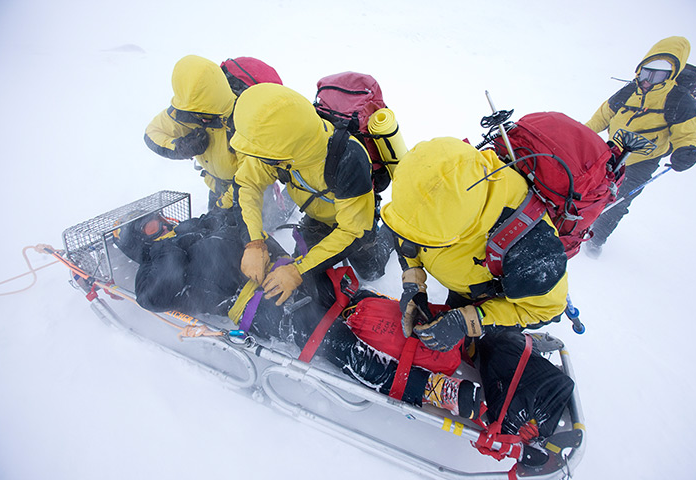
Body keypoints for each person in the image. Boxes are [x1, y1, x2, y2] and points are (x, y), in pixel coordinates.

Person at [113, 207, 481, 421]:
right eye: (151, 227)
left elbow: (236, 221)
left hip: (287, 273)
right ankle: (433, 389)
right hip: (265, 308)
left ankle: (451, 333)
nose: (162, 225)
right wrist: (164, 246)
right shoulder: (155, 265)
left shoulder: (189, 229)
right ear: (142, 243)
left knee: (361, 302)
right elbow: (155, 294)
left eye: (159, 219)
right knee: (339, 344)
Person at [380, 137, 569, 353]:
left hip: (487, 297)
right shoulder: (433, 171)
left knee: (487, 349)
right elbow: (408, 226)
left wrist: (469, 320)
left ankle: (513, 344)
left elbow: (546, 310)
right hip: (465, 276)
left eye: (430, 240)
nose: (419, 243)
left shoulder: (533, 252)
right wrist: (413, 281)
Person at [218, 82, 393, 300]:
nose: (263, 161)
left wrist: (299, 270)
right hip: (317, 215)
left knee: (372, 270)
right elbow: (247, 184)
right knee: (302, 273)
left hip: (355, 220)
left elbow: (354, 231)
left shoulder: (349, 159)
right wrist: (254, 242)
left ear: (287, 150)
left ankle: (390, 233)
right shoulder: (273, 148)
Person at [583, 36, 696, 258]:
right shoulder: (630, 90)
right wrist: (580, 135)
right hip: (611, 149)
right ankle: (575, 227)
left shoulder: (678, 99)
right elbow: (602, 117)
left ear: (670, 75)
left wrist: (685, 150)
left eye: (657, 75)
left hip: (642, 161)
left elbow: (687, 133)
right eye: (645, 73)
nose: (648, 80)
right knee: (587, 187)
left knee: (618, 200)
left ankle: (595, 241)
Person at [144, 55, 292, 221]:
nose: (204, 120)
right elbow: (153, 132)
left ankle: (282, 209)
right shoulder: (186, 109)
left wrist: (223, 204)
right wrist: (179, 147)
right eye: (198, 115)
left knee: (265, 226)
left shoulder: (243, 118)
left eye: (208, 115)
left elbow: (248, 175)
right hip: (215, 186)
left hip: (251, 189)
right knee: (216, 230)